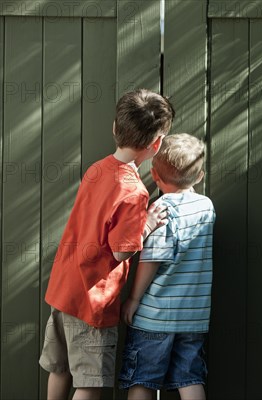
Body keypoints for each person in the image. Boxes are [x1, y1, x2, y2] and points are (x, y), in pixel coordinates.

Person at [39, 89, 175, 400]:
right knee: (90, 383)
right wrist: (148, 224)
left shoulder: (96, 169)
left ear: (115, 127)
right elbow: (120, 250)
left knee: (59, 368)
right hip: (92, 301)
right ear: (156, 145)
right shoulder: (135, 192)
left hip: (64, 289)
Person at [119, 133, 215, 400]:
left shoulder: (162, 210)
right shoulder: (206, 207)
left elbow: (152, 259)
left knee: (143, 381)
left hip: (155, 318)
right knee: (190, 378)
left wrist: (134, 299)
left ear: (155, 176)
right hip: (193, 318)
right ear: (199, 176)